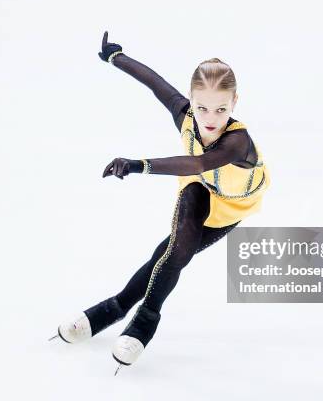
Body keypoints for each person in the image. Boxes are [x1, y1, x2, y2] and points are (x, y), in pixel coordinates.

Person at [50, 31, 271, 374]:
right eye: (201, 107)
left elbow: (199, 163)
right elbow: (156, 83)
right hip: (198, 188)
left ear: (235, 102)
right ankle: (141, 322)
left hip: (230, 207)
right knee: (176, 251)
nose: (210, 118)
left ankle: (118, 307)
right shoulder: (185, 116)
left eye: (221, 109)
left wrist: (139, 165)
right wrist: (116, 57)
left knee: (164, 255)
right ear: (191, 101)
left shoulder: (237, 142)